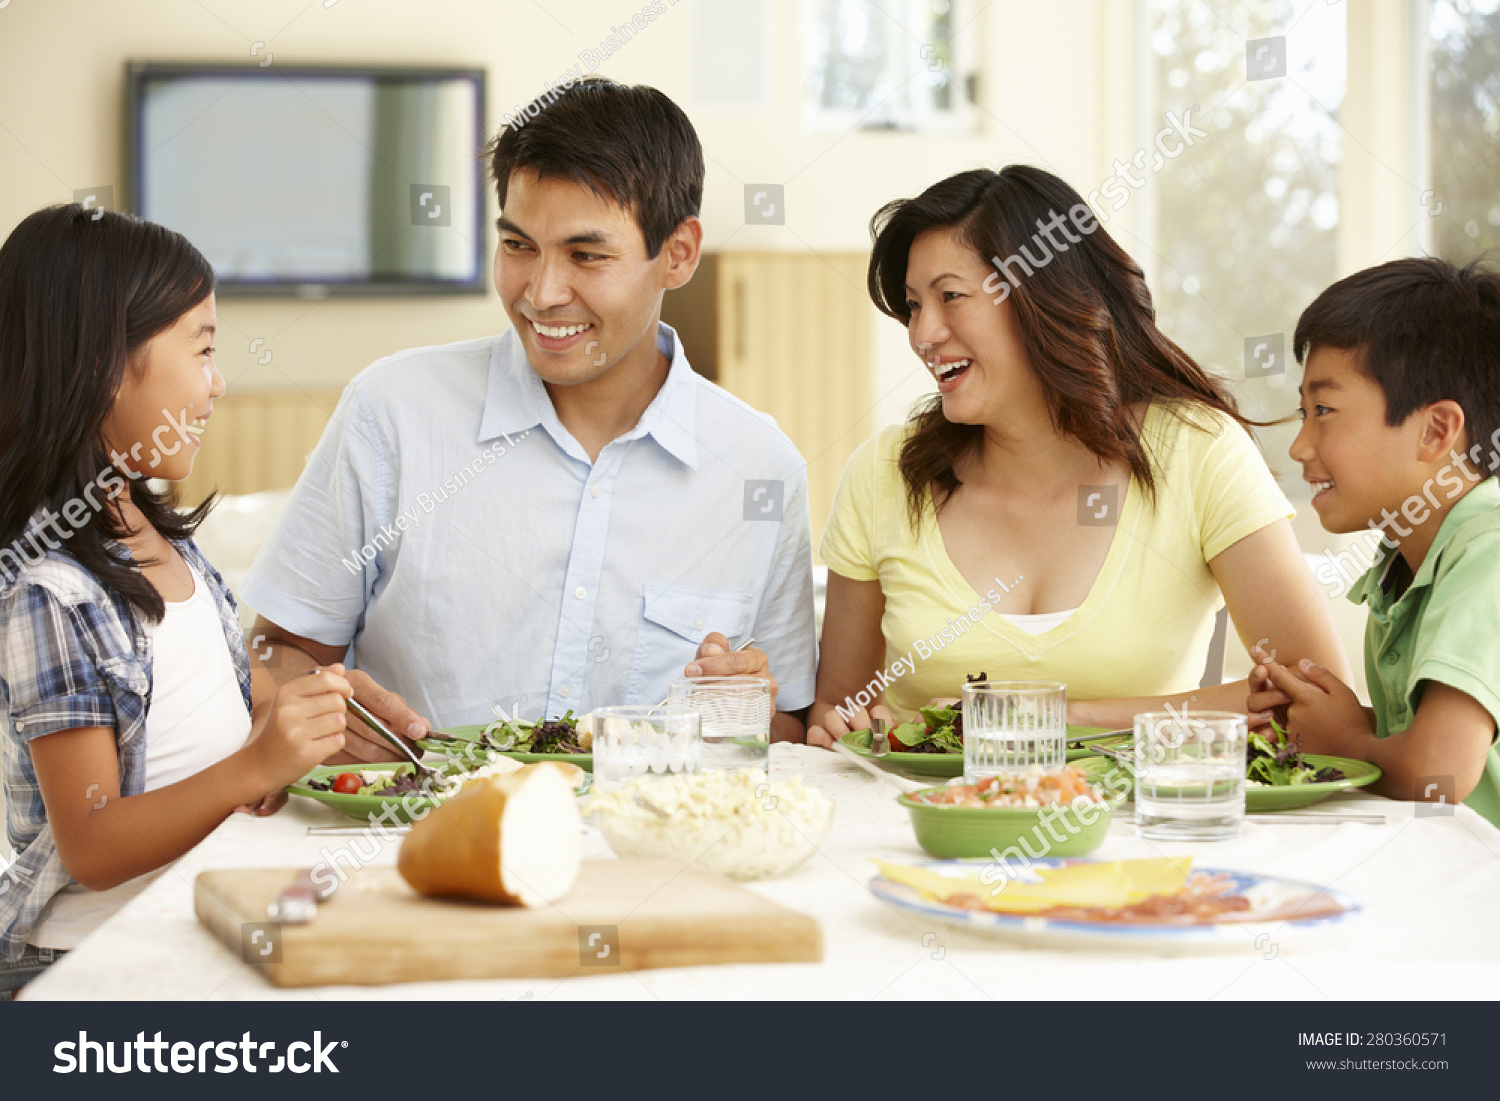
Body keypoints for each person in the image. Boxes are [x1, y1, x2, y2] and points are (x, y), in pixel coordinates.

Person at [241, 77, 816, 756]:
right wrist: (325, 719)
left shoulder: (759, 467)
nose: (541, 294)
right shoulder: (392, 412)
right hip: (416, 841)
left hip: (642, 854)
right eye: (518, 246)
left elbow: (785, 733)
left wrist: (747, 707)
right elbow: (273, 653)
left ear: (678, 254)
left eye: (586, 255)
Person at [806, 165, 1351, 746]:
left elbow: (1319, 696)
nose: (923, 333)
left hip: (1139, 830)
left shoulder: (1199, 452)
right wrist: (846, 728)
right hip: (920, 829)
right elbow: (837, 716)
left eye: (951, 296)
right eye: (914, 305)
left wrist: (1049, 718)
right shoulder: (883, 473)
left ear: (1045, 296)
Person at [0, 206, 353, 997]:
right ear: (102, 363)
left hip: (194, 916)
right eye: (202, 348)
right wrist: (253, 765)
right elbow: (90, 842)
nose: (217, 381)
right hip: (88, 959)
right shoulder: (47, 589)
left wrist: (326, 705)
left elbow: (224, 698)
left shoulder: (169, 546)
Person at [1248, 258, 1500, 825]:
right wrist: (1319, 719)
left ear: (1436, 431)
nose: (1300, 447)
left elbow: (1438, 771)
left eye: (1324, 411)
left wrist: (1347, 739)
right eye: (1301, 412)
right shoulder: (1404, 560)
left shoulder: (1489, 547)